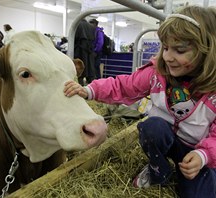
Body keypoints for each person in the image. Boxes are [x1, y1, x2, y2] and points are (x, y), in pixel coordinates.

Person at [64, 5, 216, 198]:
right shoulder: (156, 74)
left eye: (179, 50)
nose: (168, 57)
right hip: (164, 136)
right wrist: (89, 90)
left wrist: (204, 156)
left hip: (196, 149)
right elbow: (123, 86)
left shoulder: (213, 92)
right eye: (166, 47)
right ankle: (157, 170)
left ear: (206, 50)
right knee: (152, 127)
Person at [74, 19, 96, 86]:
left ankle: (80, 86)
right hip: (89, 50)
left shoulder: (77, 24)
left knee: (80, 70)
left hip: (80, 50)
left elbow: (75, 37)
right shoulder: (91, 27)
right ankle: (92, 88)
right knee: (90, 68)